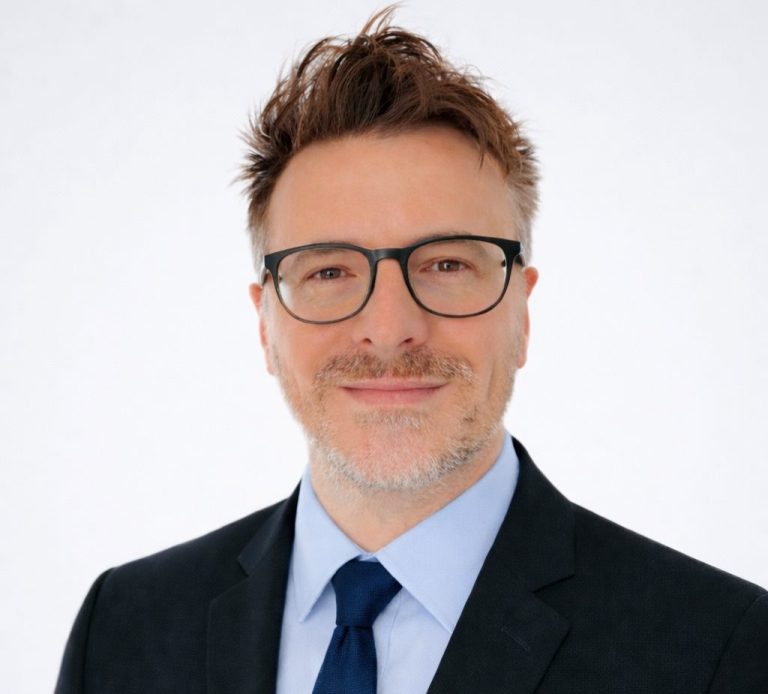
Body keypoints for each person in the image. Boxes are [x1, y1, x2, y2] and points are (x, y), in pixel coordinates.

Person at [55, 9, 767, 694]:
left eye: (447, 264)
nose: (390, 327)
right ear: (265, 324)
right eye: (329, 271)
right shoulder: (122, 629)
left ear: (522, 311)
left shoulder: (718, 647)